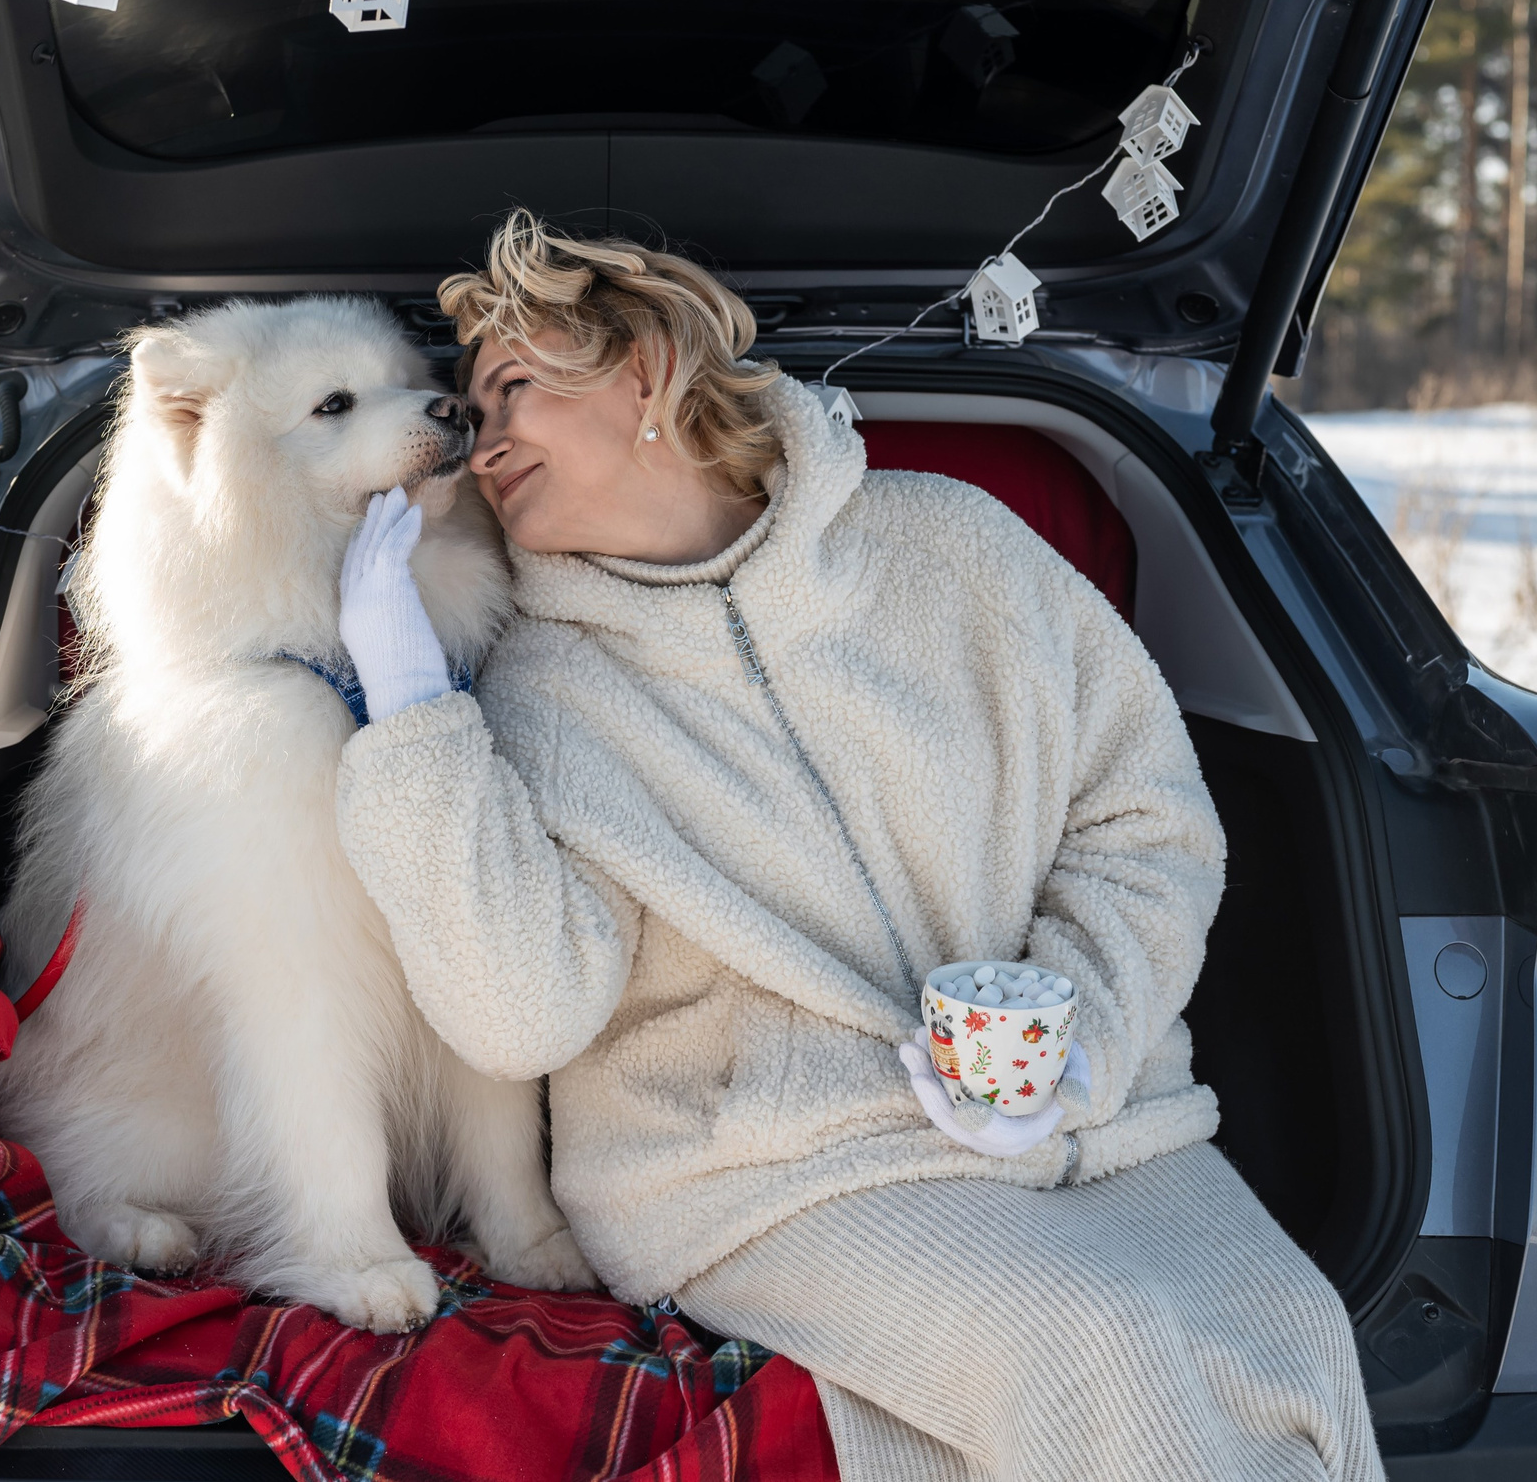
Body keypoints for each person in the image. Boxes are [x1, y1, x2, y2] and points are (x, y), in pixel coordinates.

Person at [329, 211, 1383, 1482]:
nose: (481, 443)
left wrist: (1082, 1042)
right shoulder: (541, 693)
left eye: (510, 389)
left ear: (647, 368)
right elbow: (518, 1014)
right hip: (770, 1177)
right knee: (1085, 1349)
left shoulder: (956, 546)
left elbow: (1144, 818)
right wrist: (411, 712)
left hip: (1100, 1126)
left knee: (1294, 1330)